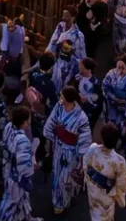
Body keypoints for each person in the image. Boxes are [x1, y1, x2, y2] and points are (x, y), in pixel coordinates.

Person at [44, 86, 92, 214]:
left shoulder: (81, 117)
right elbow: (51, 123)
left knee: (66, 178)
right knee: (57, 175)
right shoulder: (59, 107)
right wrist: (51, 138)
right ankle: (58, 202)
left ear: (68, 99)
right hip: (59, 146)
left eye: (62, 96)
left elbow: (85, 139)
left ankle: (63, 202)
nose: (60, 98)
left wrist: (82, 157)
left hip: (71, 152)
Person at [85, 124, 126, 221]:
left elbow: (85, 164)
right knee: (105, 216)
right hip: (107, 194)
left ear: (102, 137)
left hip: (93, 189)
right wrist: (121, 192)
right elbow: (124, 183)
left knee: (94, 211)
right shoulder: (118, 161)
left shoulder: (92, 149)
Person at [0, 106, 36, 221]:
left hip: (7, 168)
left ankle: (26, 217)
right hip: (16, 177)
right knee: (11, 201)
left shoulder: (9, 127)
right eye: (28, 119)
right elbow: (23, 165)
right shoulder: (22, 139)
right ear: (24, 122)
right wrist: (28, 176)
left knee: (22, 198)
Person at [46, 7, 87, 90]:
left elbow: (80, 51)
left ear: (73, 17)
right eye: (63, 16)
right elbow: (53, 41)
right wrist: (49, 52)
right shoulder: (60, 26)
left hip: (71, 60)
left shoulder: (78, 34)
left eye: (67, 16)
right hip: (59, 57)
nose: (64, 18)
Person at [102, 54, 126, 129]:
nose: (119, 71)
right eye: (118, 67)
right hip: (110, 106)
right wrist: (113, 97)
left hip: (123, 113)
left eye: (122, 68)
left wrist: (122, 100)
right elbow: (104, 86)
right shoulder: (111, 73)